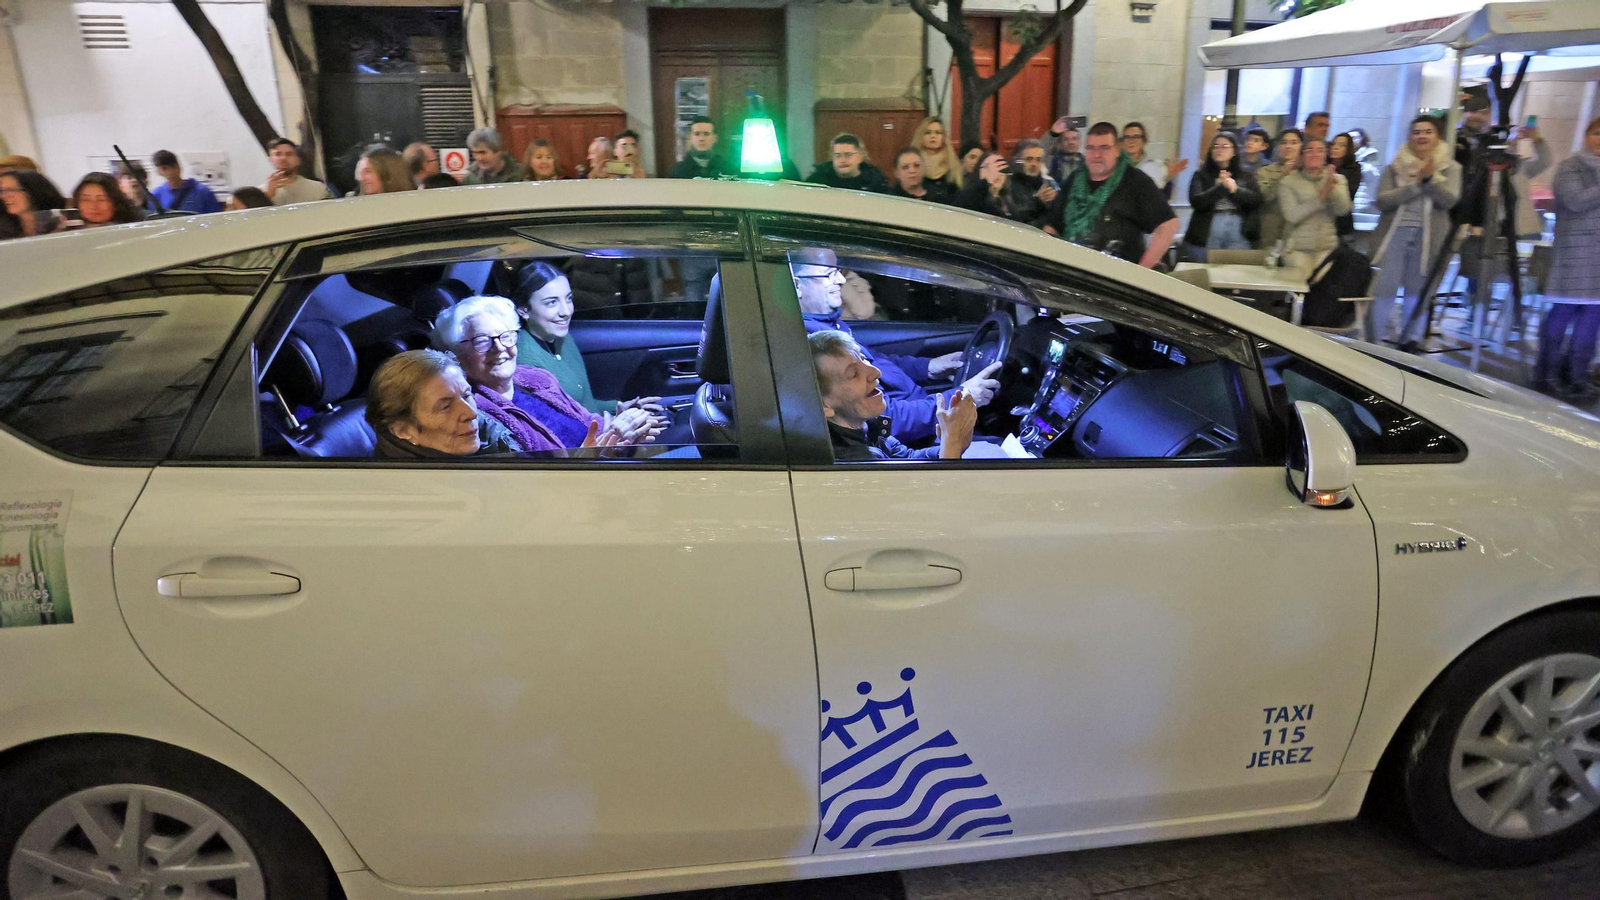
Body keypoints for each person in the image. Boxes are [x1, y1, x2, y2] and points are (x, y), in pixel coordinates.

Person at [794, 250, 999, 445]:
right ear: (797, 285)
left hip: (924, 416)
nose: (840, 280)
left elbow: (877, 360)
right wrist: (959, 399)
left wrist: (927, 367)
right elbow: (885, 419)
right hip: (917, 436)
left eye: (838, 271)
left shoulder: (832, 325)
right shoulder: (815, 344)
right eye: (828, 274)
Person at [432, 295, 663, 454]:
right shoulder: (478, 415)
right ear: (456, 354)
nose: (500, 348)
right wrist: (606, 444)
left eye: (506, 336)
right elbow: (539, 483)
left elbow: (590, 424)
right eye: (482, 341)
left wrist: (625, 432)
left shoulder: (536, 378)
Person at [511, 261, 665, 418]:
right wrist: (613, 427)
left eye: (569, 299)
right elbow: (560, 429)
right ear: (523, 309)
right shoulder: (526, 363)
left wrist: (618, 408)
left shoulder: (561, 338)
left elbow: (583, 405)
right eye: (552, 302)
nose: (566, 311)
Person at [810, 330, 977, 462]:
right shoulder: (853, 462)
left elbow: (908, 458)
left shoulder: (868, 427)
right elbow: (937, 500)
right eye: (854, 374)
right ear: (825, 406)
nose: (875, 372)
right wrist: (952, 443)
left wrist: (952, 444)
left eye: (864, 360)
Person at [1368, 116, 1462, 349]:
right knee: (1384, 287)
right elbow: (1382, 200)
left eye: (1427, 131)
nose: (1421, 136)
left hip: (1430, 236)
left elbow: (1449, 200)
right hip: (1394, 234)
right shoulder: (1394, 166)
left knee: (1418, 289)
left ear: (1437, 136)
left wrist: (1430, 180)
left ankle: (1411, 339)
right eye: (1416, 132)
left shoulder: (1452, 168)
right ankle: (1372, 340)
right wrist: (1415, 187)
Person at [1042, 121, 1180, 269]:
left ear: (1117, 150)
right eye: (1090, 148)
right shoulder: (1074, 180)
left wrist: (1142, 271)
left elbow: (1169, 225)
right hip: (1074, 273)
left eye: (1104, 148)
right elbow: (1052, 226)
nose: (1096, 155)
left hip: (1118, 279)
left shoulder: (1136, 181)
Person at [1533, 117, 1600, 398]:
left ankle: (1576, 376)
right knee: (1563, 313)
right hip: (1575, 253)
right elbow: (1575, 201)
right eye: (1597, 133)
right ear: (1586, 135)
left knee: (1591, 320)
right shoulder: (1571, 167)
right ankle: (1546, 374)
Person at [365, 349, 522, 459]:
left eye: (466, 396)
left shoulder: (494, 440)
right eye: (446, 407)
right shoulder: (410, 497)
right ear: (403, 430)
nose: (471, 413)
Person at [1274, 138, 1352, 278]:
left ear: (1325, 155)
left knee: (1322, 289)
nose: (1315, 154)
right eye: (1309, 150)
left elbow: (1343, 210)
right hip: (1298, 248)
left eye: (1320, 151)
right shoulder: (1289, 182)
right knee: (1301, 285)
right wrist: (1321, 196)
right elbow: (1292, 215)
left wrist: (1332, 187)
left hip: (1327, 246)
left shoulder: (1338, 179)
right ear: (1302, 156)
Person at [1183, 132, 1261, 261]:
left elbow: (1256, 200)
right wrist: (1219, 188)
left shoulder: (1245, 175)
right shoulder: (1201, 175)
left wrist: (1234, 189)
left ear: (1234, 151)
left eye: (1224, 146)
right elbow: (1196, 202)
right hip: (1209, 227)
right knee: (1208, 268)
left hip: (1237, 227)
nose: (1219, 150)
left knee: (1235, 269)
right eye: (1216, 146)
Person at [957, 150, 1049, 225]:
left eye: (1001, 168)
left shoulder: (1007, 199)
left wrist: (1039, 203)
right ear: (979, 170)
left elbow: (1018, 223)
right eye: (989, 167)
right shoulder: (969, 196)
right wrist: (986, 183)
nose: (996, 173)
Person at [1255, 128, 1303, 249]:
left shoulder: (1307, 172)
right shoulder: (1265, 171)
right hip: (1272, 230)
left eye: (1294, 143)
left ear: (1301, 146)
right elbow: (1264, 196)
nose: (1288, 146)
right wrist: (1284, 174)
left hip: (1301, 231)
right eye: (1283, 142)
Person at [1120, 122, 1188, 197]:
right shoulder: (1115, 166)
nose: (1131, 141)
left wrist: (1168, 177)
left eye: (1136, 137)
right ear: (1121, 142)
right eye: (1127, 137)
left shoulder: (1155, 167)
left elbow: (1162, 197)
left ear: (1144, 141)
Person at [807, 133, 890, 193]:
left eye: (848, 155)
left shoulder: (875, 183)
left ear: (860, 157)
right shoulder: (818, 181)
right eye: (837, 155)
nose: (842, 160)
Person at [261, 139, 332, 205]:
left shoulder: (317, 188)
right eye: (278, 154)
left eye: (289, 154)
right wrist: (268, 195)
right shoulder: (260, 192)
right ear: (270, 160)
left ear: (298, 160)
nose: (283, 158)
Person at [149, 150, 223, 214]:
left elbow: (215, 219)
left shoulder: (202, 192)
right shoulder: (157, 196)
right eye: (164, 168)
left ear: (179, 167)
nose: (170, 172)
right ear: (158, 171)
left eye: (173, 167)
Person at [0, 170, 65, 239]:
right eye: (2, 191)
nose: (4, 196)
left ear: (32, 191)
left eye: (10, 190)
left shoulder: (61, 224)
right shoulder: (3, 229)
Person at [668, 116, 735, 179]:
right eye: (697, 134)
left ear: (714, 138)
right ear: (691, 137)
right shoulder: (678, 172)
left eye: (706, 134)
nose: (701, 139)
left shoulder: (727, 169)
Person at [68, 172, 141, 228]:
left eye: (101, 200)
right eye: (86, 199)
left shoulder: (133, 228)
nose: (93, 206)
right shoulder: (67, 233)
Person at [1328, 133, 1363, 239]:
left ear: (1348, 149)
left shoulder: (1353, 169)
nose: (1336, 147)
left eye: (1341, 145)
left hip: (1342, 222)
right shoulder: (1323, 166)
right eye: (1334, 144)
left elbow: (1349, 193)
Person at [913, 117, 962, 191]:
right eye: (928, 132)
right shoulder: (912, 162)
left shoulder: (952, 164)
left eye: (938, 132)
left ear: (943, 137)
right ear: (921, 136)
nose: (933, 136)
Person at [889, 148, 953, 203]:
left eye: (917, 165)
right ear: (896, 173)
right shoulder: (891, 199)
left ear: (923, 167)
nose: (912, 171)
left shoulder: (939, 196)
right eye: (905, 167)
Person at [1350, 127, 1382, 212]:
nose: (1352, 140)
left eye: (1355, 138)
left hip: (1363, 197)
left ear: (1362, 139)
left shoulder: (1369, 155)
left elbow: (1373, 174)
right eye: (1350, 138)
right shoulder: (1347, 156)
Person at [1046, 118, 1085, 186]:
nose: (1071, 142)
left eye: (1074, 139)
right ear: (1060, 143)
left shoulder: (1085, 162)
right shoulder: (1053, 161)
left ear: (1080, 142)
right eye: (1066, 139)